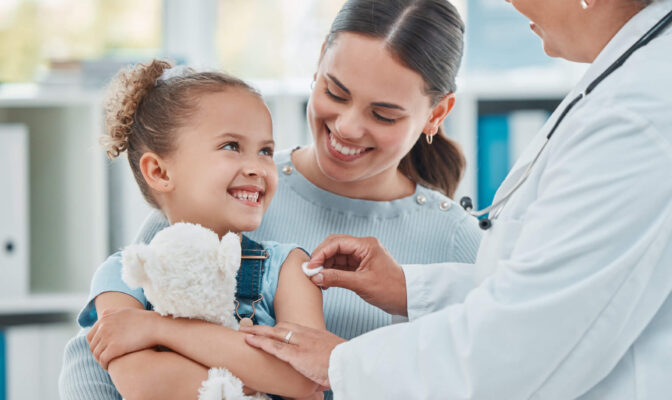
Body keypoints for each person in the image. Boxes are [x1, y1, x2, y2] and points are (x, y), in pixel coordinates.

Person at [242, 0, 672, 398]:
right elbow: (560, 290)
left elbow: (526, 344)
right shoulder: (655, 81)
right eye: (336, 92)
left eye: (385, 113)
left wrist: (340, 364)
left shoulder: (651, 113)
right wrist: (409, 289)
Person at [59, 1, 482, 399]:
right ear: (319, 63)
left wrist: (168, 337)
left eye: (383, 115)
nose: (348, 127)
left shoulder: (457, 243)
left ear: (436, 114)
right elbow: (94, 359)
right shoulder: (215, 195)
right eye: (336, 93)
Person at [60, 59, 325, 399]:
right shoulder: (123, 277)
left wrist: (159, 330)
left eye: (265, 151)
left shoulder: (289, 267)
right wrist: (259, 375)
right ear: (160, 172)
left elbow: (306, 379)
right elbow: (146, 385)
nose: (258, 167)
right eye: (231, 146)